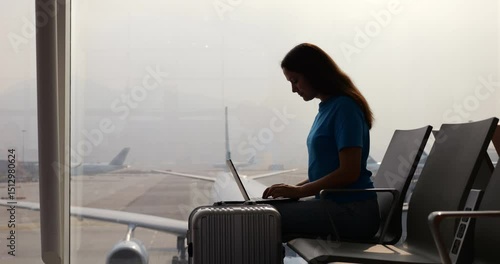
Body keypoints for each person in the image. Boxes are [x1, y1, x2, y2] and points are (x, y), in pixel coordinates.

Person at [262, 43, 380, 241]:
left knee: (260, 218)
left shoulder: (344, 108)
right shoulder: (327, 108)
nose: (293, 89)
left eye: (296, 80)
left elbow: (349, 172)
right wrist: (292, 191)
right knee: (260, 213)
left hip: (352, 212)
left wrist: (299, 191)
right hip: (335, 207)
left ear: (313, 74)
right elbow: (328, 172)